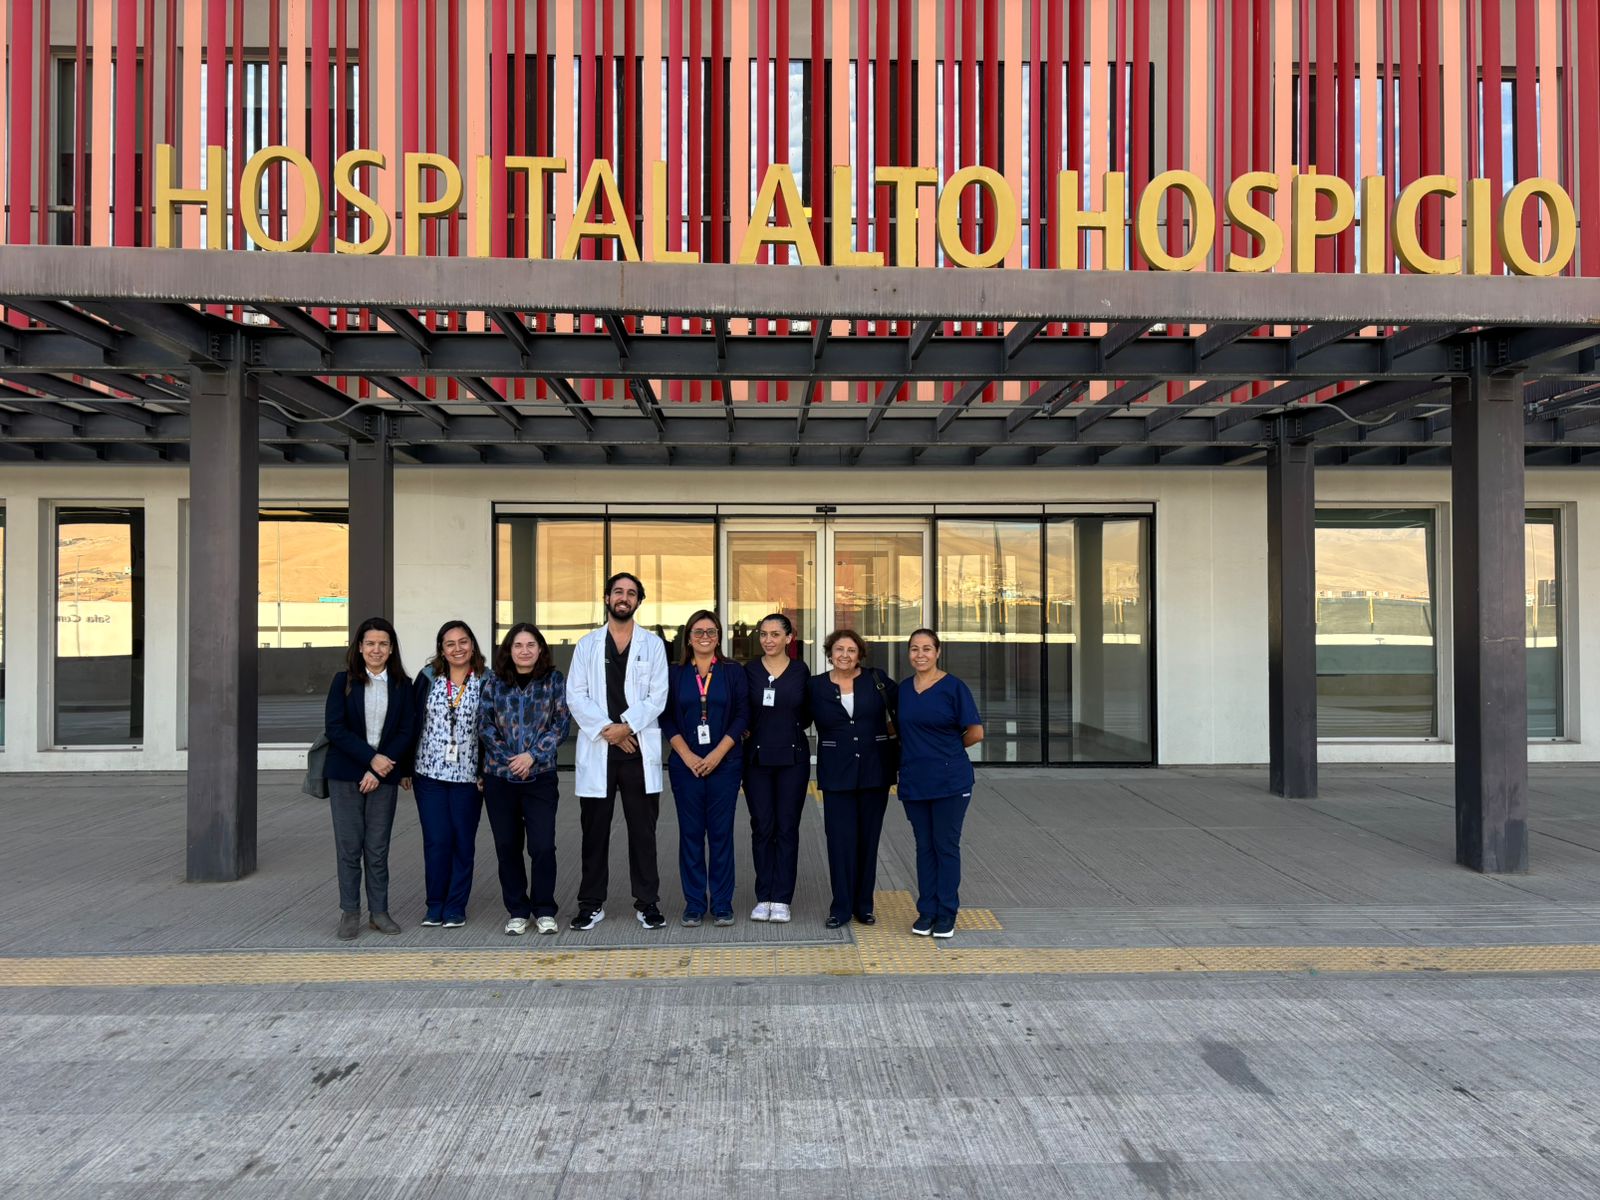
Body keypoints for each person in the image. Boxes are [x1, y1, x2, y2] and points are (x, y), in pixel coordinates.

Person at [564, 571, 670, 931]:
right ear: (607, 598)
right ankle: (591, 903)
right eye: (618, 592)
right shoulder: (587, 645)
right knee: (594, 833)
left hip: (637, 751)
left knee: (643, 832)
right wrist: (609, 731)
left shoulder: (652, 645)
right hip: (601, 748)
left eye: (631, 593)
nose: (624, 598)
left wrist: (626, 726)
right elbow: (576, 695)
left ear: (639, 601)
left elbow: (658, 696)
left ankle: (647, 903)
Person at [322, 617, 417, 941]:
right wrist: (369, 759)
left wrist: (379, 769)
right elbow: (335, 728)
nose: (377, 649)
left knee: (377, 849)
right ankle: (350, 912)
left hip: (385, 775)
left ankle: (379, 912)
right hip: (345, 775)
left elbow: (407, 731)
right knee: (349, 848)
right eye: (371, 643)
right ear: (360, 647)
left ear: (391, 649)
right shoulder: (343, 681)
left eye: (383, 644)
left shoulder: (403, 685)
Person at [479, 623, 571, 936]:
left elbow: (561, 724)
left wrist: (531, 756)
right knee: (507, 845)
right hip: (500, 778)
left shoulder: (553, 681)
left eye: (531, 645)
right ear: (509, 650)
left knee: (542, 846)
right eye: (518, 645)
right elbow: (485, 725)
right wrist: (510, 759)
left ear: (540, 648)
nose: (525, 651)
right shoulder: (494, 682)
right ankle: (518, 910)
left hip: (539, 777)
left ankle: (544, 909)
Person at [662, 609, 750, 927]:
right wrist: (687, 755)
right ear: (688, 638)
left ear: (719, 637)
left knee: (721, 834)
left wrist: (716, 755)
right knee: (691, 835)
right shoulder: (675, 673)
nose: (705, 637)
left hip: (725, 764)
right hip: (685, 766)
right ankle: (695, 903)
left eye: (711, 632)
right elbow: (666, 717)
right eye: (698, 632)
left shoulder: (732, 672)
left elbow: (743, 715)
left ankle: (723, 903)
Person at [895, 629, 984, 939]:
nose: (920, 654)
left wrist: (947, 752)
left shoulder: (953, 688)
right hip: (915, 780)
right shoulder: (904, 690)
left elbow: (975, 733)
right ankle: (927, 911)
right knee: (924, 847)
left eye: (926, 648)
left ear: (937, 652)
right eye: (914, 649)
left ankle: (946, 913)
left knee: (945, 845)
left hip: (950, 780)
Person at [806, 629, 897, 930]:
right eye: (839, 649)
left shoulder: (877, 679)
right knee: (839, 841)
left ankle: (864, 906)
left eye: (851, 650)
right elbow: (796, 718)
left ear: (860, 655)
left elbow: (906, 710)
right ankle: (841, 907)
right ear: (829, 653)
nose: (844, 655)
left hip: (875, 770)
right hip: (836, 773)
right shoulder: (816, 686)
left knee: (868, 841)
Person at [402, 620, 488, 929]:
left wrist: (486, 769)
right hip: (429, 773)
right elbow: (411, 721)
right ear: (441, 649)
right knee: (437, 840)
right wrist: (405, 767)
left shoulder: (487, 680)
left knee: (462, 841)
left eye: (463, 642)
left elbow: (494, 727)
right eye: (450, 643)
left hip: (469, 777)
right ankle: (435, 904)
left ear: (472, 645)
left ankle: (455, 907)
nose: (457, 648)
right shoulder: (428, 678)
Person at [741, 613, 811, 923]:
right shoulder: (749, 671)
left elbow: (806, 714)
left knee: (786, 827)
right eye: (763, 634)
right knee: (762, 826)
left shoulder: (800, 670)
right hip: (756, 761)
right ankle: (763, 895)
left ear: (788, 638)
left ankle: (781, 897)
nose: (768, 640)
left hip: (792, 760)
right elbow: (742, 710)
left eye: (774, 634)